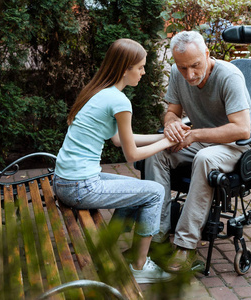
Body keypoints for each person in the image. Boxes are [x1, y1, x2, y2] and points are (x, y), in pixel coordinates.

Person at [53, 38, 183, 283]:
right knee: (154, 192)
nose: (143, 72)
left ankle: (107, 248)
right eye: (140, 67)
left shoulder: (100, 93)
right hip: (79, 187)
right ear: (125, 69)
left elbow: (117, 139)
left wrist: (164, 135)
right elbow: (131, 154)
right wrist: (166, 143)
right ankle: (140, 267)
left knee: (134, 189)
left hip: (66, 181)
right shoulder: (120, 101)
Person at [144, 31, 251, 273]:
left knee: (205, 159)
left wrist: (194, 134)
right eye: (183, 68)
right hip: (202, 140)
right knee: (156, 153)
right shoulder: (178, 73)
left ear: (206, 54)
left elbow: (242, 129)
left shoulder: (229, 77)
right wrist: (171, 123)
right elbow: (172, 111)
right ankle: (156, 235)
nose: (190, 74)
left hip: (235, 146)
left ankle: (186, 245)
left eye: (195, 66)